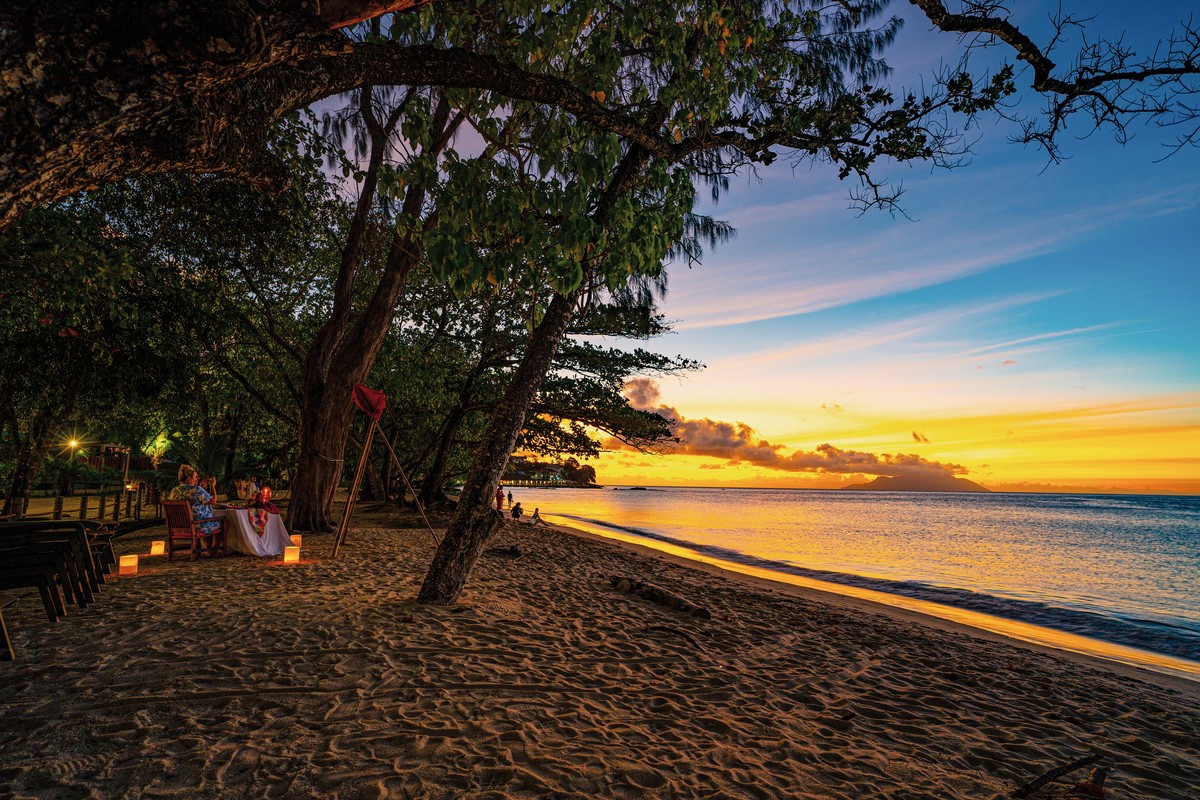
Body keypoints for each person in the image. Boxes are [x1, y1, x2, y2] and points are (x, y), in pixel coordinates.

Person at [169, 464, 220, 551]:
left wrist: (201, 487)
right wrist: (212, 486)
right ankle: (212, 551)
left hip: (179, 527)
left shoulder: (174, 491)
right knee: (223, 523)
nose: (198, 478)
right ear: (189, 479)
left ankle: (209, 550)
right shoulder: (197, 490)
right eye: (195, 477)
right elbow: (213, 501)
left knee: (206, 522)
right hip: (196, 525)